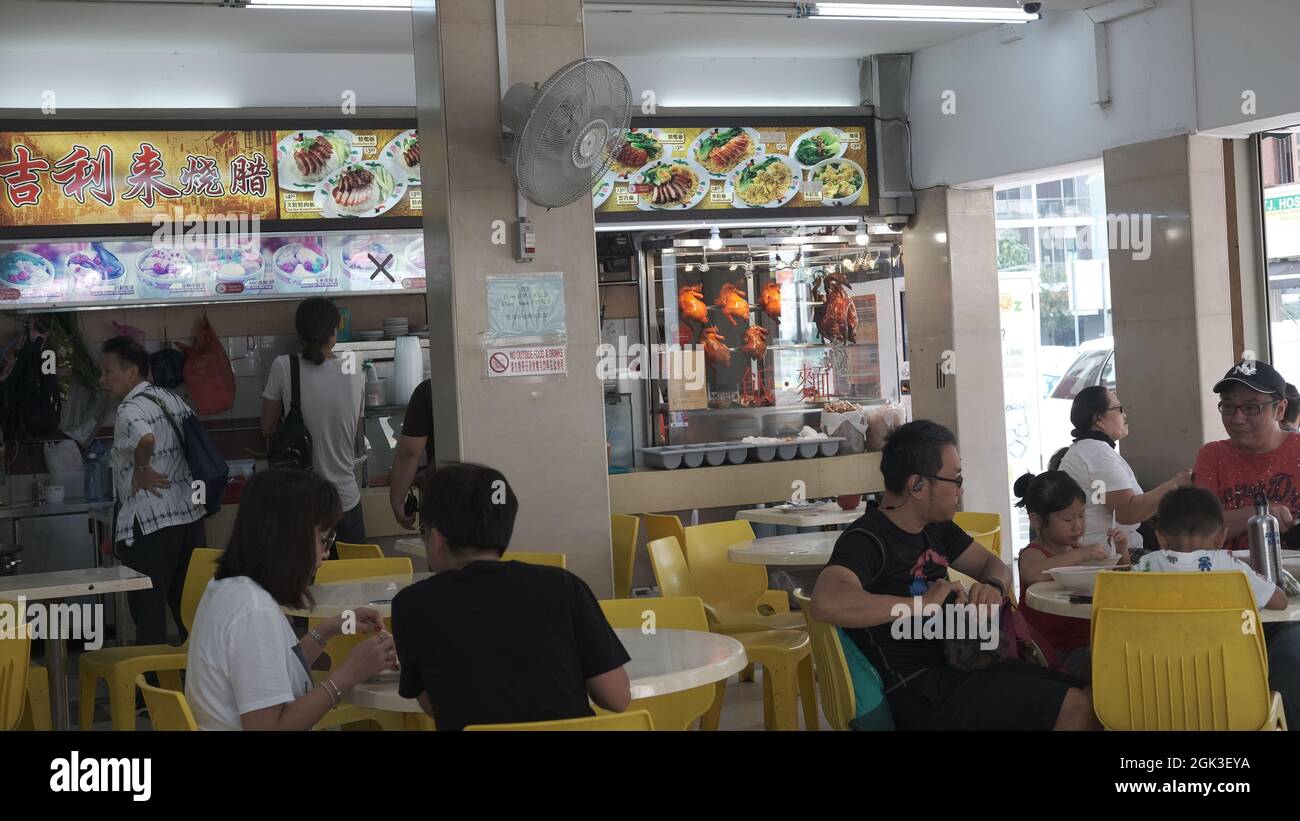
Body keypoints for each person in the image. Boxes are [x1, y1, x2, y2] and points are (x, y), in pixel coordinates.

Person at [810, 420, 1099, 730]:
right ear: (917, 486)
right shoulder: (867, 539)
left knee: (1092, 695)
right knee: (1074, 708)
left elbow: (995, 566)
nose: (961, 489)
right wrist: (921, 604)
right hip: (918, 691)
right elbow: (827, 602)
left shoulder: (936, 527)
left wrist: (991, 585)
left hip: (962, 668)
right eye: (955, 479)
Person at [391, 463, 631, 730]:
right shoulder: (562, 586)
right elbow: (617, 697)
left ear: (435, 539)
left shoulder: (410, 606)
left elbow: (435, 705)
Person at [185, 469, 395, 731]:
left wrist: (332, 628)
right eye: (323, 539)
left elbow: (271, 674)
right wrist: (349, 673)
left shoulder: (227, 589)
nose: (326, 553)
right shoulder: (253, 611)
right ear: (291, 539)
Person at [101, 336, 206, 647]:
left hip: (149, 527)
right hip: (188, 519)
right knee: (187, 609)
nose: (102, 379)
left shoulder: (129, 408)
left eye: (108, 372)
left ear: (132, 373)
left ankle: (149, 690)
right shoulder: (171, 399)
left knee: (148, 614)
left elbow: (145, 438)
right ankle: (197, 683)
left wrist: (142, 468)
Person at [261, 297, 365, 552]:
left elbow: (267, 428)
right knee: (353, 587)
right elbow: (354, 433)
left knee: (302, 587)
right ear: (333, 331)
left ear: (300, 332)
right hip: (346, 502)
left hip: (300, 504)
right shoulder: (355, 373)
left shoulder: (284, 366)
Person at [1053, 385, 1192, 556]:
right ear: (1099, 420)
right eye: (1119, 408)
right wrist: (1176, 484)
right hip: (1109, 556)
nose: (1124, 415)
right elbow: (1127, 511)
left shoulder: (1089, 450)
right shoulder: (1095, 453)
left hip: (1110, 551)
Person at [1014, 470, 1120, 679]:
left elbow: (1116, 574)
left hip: (1082, 638)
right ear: (1036, 520)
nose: (1078, 526)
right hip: (1052, 649)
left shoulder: (1071, 549)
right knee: (1112, 666)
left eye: (1081, 515)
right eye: (1068, 519)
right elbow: (1033, 573)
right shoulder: (1033, 554)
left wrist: (1121, 550)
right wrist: (1082, 553)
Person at [1193, 360, 1300, 550]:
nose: (1237, 418)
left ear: (1280, 410)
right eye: (1228, 406)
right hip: (1228, 575)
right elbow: (1200, 529)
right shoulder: (1213, 455)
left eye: (1251, 408)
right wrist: (1264, 514)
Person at [1134, 486, 1285, 610]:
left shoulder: (1145, 565)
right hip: (1226, 646)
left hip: (1159, 645)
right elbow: (1280, 602)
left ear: (1161, 539)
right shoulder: (1232, 568)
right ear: (1221, 538)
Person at [389, 378, 434, 529]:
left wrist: (398, 501)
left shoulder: (428, 389)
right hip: (495, 490)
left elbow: (410, 451)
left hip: (444, 493)